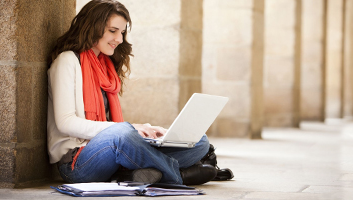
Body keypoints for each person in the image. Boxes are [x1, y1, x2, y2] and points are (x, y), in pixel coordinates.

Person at [47, 0, 228, 185]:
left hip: (113, 148)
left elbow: (113, 126)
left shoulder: (105, 66)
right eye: (112, 31)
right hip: (78, 163)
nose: (119, 39)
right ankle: (177, 175)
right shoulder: (67, 61)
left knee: (199, 141)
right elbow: (65, 122)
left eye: (122, 32)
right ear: (93, 27)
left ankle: (140, 173)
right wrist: (130, 130)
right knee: (123, 134)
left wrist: (145, 131)